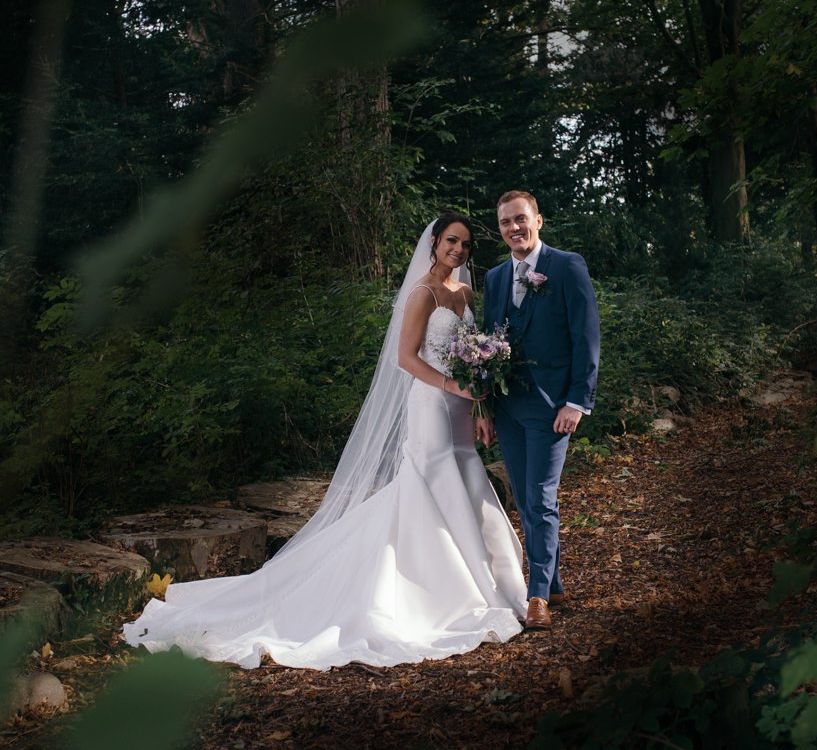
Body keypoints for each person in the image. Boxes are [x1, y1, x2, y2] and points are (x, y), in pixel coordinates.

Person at [121, 213, 528, 669]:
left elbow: (472, 357)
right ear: (434, 243)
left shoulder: (466, 292)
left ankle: (499, 586)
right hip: (430, 406)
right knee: (432, 488)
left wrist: (478, 404)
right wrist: (451, 387)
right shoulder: (422, 294)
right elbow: (406, 359)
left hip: (459, 409)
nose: (459, 250)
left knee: (469, 485)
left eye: (467, 244)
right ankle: (446, 595)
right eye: (452, 241)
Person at [478, 191, 601, 631]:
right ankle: (556, 583)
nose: (514, 228)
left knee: (541, 498)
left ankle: (537, 597)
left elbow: (586, 336)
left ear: (538, 221)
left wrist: (576, 401)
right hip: (507, 407)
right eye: (506, 222)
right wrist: (485, 407)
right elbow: (486, 345)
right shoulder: (494, 278)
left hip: (552, 407)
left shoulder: (567, 266)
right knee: (526, 500)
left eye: (521, 219)